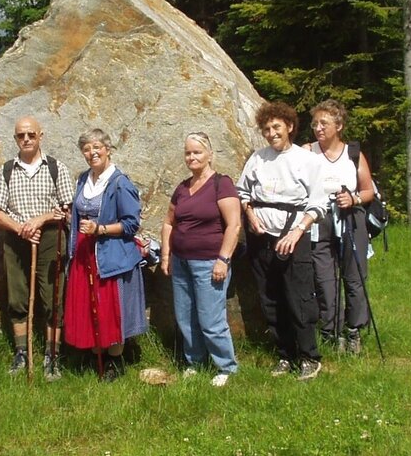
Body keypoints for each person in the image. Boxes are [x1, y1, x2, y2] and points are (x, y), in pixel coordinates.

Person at [236, 101, 327, 381]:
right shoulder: (258, 158)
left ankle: (308, 356)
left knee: (297, 297)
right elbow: (243, 192)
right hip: (260, 237)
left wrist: (297, 232)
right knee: (270, 297)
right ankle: (284, 354)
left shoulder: (307, 160)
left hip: (293, 235)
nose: (272, 133)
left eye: (276, 127)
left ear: (289, 126)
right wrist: (250, 216)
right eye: (266, 128)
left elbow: (319, 203)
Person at [0, 116, 74, 380]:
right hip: (16, 240)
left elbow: (66, 208)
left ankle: (52, 357)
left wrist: (41, 219)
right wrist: (21, 229)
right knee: (16, 297)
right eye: (20, 135)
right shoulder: (6, 170)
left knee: (53, 298)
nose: (25, 139)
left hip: (50, 239)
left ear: (41, 135)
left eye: (30, 134)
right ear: (15, 139)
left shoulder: (56, 168)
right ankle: (21, 354)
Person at [64, 128, 147, 381]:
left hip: (111, 256)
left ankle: (114, 361)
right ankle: (94, 355)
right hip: (84, 254)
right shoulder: (83, 179)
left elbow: (132, 224)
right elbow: (80, 213)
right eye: (87, 149)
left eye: (97, 147)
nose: (92, 153)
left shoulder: (120, 183)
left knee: (112, 309)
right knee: (91, 308)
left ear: (108, 149)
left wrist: (100, 229)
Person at [160, 132, 241, 387]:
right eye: (188, 153)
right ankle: (195, 362)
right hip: (181, 261)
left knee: (211, 319)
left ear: (209, 154)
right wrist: (166, 254)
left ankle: (226, 367)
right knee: (186, 317)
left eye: (197, 152)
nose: (191, 157)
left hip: (209, 262)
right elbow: (168, 223)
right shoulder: (182, 188)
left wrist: (223, 260)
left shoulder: (222, 183)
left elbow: (234, 226)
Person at [303, 100, 375, 354]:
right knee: (323, 279)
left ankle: (354, 330)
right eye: (315, 123)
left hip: (350, 219)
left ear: (339, 125)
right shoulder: (307, 151)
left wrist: (353, 198)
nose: (318, 128)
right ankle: (330, 331)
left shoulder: (353, 153)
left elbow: (369, 191)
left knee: (354, 278)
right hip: (318, 220)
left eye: (324, 123)